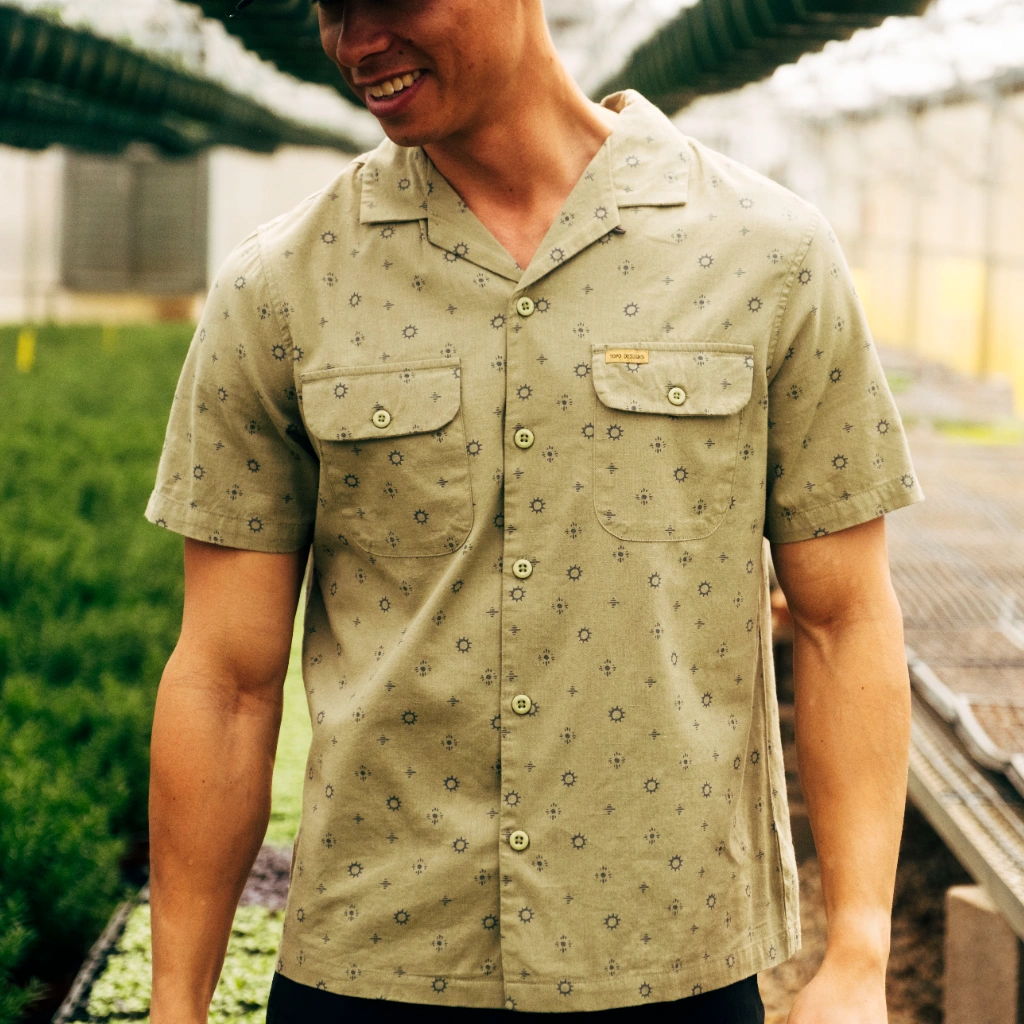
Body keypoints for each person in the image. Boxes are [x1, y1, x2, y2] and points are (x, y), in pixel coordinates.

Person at [145, 2, 923, 1022]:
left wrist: (858, 951)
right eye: (335, 8)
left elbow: (842, 618)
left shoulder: (763, 255)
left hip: (669, 959)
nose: (355, 41)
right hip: (372, 961)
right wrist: (174, 1006)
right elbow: (225, 681)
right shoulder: (283, 287)